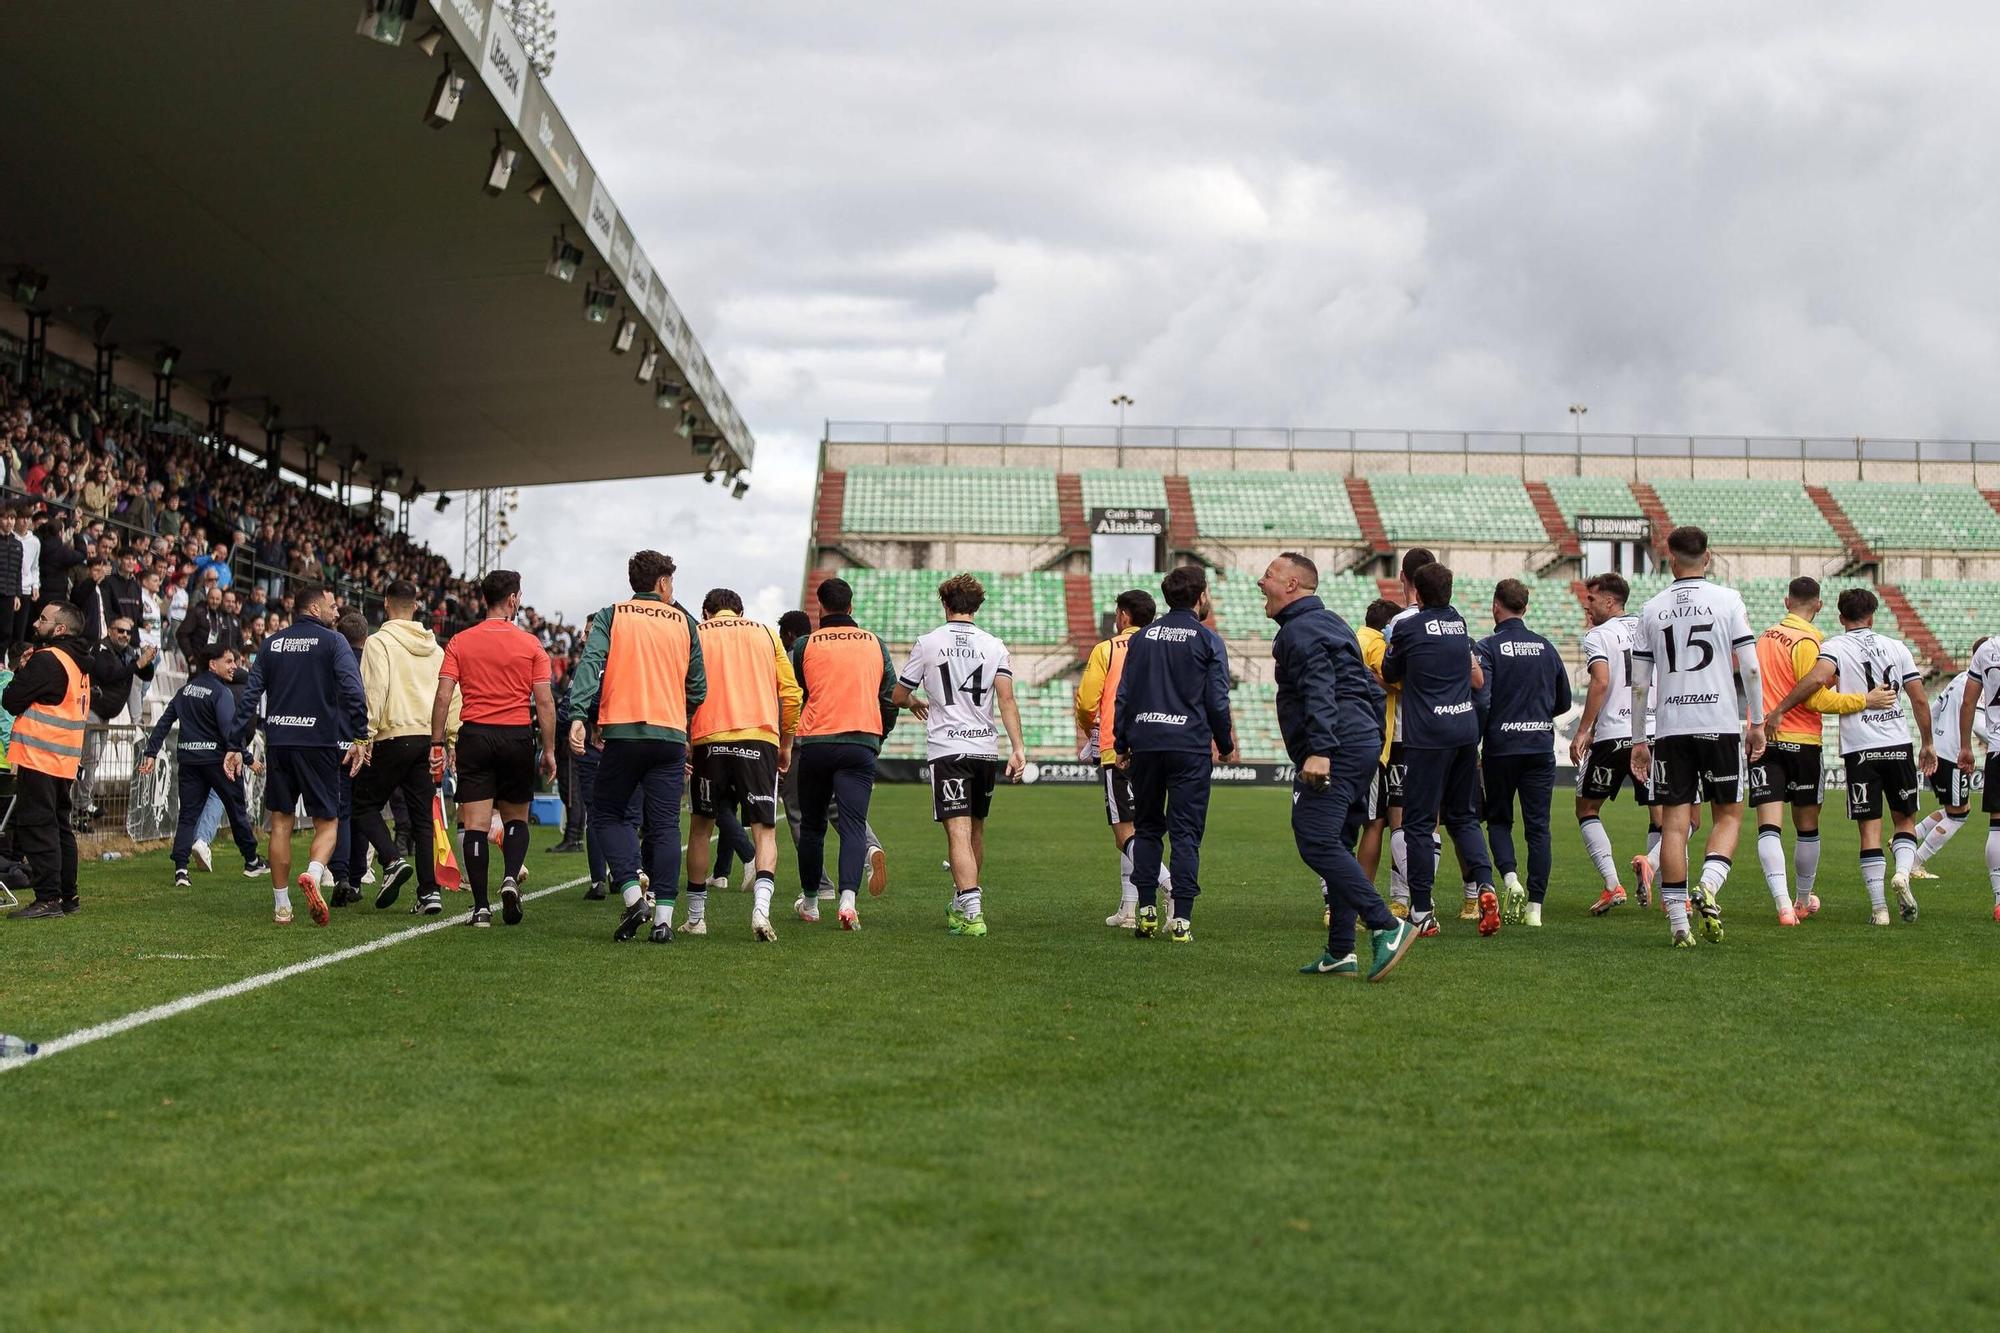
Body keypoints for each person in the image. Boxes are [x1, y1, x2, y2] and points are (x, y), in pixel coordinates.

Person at [1260, 553, 1416, 981]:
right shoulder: (1331, 622)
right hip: (1362, 742)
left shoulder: (1301, 630)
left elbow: (1319, 685)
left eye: (1269, 576)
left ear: (1292, 585)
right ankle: (1341, 951)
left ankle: (1387, 925)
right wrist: (1367, 737)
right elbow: (1367, 686)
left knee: (1314, 838)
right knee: (1338, 840)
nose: (1261, 581)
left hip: (1338, 746)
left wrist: (1323, 748)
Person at [1628, 526, 1766, 948]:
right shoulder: (1728, 600)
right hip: (1719, 723)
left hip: (1671, 728)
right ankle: (1707, 886)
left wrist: (1639, 740)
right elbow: (1752, 668)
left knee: (1674, 824)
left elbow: (1638, 685)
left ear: (1670, 559)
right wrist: (1757, 722)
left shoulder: (1651, 609)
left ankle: (1677, 925)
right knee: (1728, 815)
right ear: (1708, 558)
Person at [1768, 587, 1932, 926]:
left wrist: (1781, 708)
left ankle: (1880, 910)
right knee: (1904, 821)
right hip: (1897, 744)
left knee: (1869, 831)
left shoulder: (1834, 648)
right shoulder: (1897, 647)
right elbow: (1918, 699)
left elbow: (1813, 680)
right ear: (1872, 616)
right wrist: (1928, 742)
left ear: (1840, 617)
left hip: (1860, 751)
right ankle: (1902, 872)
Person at [567, 549, 706, 943]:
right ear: (662, 583)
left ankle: (632, 897)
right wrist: (680, 711)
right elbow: (699, 686)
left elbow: (590, 664)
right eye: (671, 582)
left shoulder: (611, 614)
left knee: (608, 814)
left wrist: (579, 714)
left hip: (623, 733)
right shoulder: (684, 621)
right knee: (664, 826)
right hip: (669, 736)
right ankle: (663, 920)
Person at [224, 584, 369, 927]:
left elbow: (249, 697)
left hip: (279, 742)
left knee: (280, 824)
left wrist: (233, 743)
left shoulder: (272, 643)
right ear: (315, 609)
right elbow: (353, 691)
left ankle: (281, 906)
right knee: (328, 823)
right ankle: (314, 875)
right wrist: (361, 735)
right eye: (333, 607)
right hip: (318, 744)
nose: (337, 613)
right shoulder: (335, 642)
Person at [893, 574, 1027, 938]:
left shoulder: (929, 642)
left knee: (957, 831)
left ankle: (973, 912)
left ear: (946, 604)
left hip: (948, 748)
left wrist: (915, 701)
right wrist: (1018, 748)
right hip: (985, 748)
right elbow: (1007, 699)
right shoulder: (994, 645)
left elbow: (898, 695)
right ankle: (961, 902)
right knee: (976, 829)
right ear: (976, 606)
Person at [1750, 577, 1888, 921]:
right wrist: (1864, 700)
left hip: (1767, 739)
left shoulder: (1764, 637)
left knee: (1769, 826)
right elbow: (1817, 699)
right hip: (1803, 741)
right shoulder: (1811, 641)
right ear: (1819, 606)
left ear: (1786, 602)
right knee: (1807, 827)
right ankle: (1801, 898)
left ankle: (1783, 905)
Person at [1113, 564, 1235, 943]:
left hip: (1146, 743)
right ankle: (1180, 918)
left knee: (1148, 828)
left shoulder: (1143, 637)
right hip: (1189, 746)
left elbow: (1125, 694)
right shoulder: (1207, 639)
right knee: (1185, 834)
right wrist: (1225, 744)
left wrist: (1121, 743)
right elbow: (1217, 699)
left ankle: (1146, 909)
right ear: (1200, 597)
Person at [430, 570, 556, 929]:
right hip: (516, 734)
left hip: (476, 736)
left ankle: (481, 908)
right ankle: (511, 877)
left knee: (476, 824)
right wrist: (548, 749)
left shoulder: (459, 641)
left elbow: (443, 695)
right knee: (516, 817)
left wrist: (437, 743)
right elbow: (545, 703)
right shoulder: (531, 644)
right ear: (513, 599)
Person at [680, 586, 800, 941]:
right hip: (759, 739)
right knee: (764, 830)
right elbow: (791, 693)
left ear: (706, 612)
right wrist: (787, 742)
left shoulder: (696, 633)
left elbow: (681, 687)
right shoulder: (764, 633)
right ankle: (761, 912)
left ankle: (696, 919)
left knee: (702, 828)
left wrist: (686, 737)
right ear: (740, 611)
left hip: (709, 739)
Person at [1382, 561, 1493, 936]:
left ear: (1415, 590)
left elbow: (1390, 671)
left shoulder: (1409, 627)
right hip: (1465, 728)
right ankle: (1485, 887)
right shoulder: (1459, 624)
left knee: (1418, 821)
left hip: (1427, 735)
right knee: (1463, 817)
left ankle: (1422, 909)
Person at [788, 576, 894, 931]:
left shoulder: (805, 644)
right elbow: (890, 696)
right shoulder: (874, 643)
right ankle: (848, 902)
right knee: (852, 827)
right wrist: (880, 734)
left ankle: (812, 901)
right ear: (851, 607)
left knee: (813, 826)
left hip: (815, 743)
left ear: (820, 608)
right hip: (860, 742)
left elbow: (795, 692)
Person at [350, 579, 458, 915]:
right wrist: (451, 738)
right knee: (424, 818)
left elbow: (374, 690)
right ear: (416, 606)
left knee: (361, 804)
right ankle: (429, 893)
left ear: (385, 604)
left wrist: (362, 737)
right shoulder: (437, 649)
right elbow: (451, 695)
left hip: (392, 735)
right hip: (427, 738)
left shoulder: (379, 642)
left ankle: (392, 861)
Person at [1473, 578, 1570, 927]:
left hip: (1501, 747)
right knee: (1538, 827)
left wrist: (1481, 735)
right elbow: (1564, 700)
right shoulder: (1546, 647)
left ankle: (1510, 881)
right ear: (1525, 608)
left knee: (1499, 820)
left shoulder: (1487, 648)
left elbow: (1482, 699)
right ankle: (1535, 910)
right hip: (1540, 747)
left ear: (1496, 606)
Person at [1073, 587, 1171, 928]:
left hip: (1120, 748)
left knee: (1123, 832)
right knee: (1144, 827)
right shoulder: (1163, 646)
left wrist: (1090, 730)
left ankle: (1167, 882)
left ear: (1125, 616)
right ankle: (1130, 909)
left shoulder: (1107, 649)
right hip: (1160, 745)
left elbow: (1087, 702)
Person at [138, 644, 267, 885]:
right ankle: (251, 861)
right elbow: (229, 731)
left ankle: (181, 870)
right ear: (212, 664)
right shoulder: (221, 693)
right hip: (219, 763)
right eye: (228, 662)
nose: (234, 667)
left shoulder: (185, 690)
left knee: (187, 815)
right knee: (237, 811)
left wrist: (151, 751)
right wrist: (247, 758)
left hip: (189, 761)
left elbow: (165, 722)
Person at [2, 601, 91, 918]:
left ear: (60, 629)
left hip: (40, 756)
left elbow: (11, 700)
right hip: (63, 759)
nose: (37, 623)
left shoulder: (47, 659)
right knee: (60, 826)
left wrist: (21, 670)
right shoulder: (77, 663)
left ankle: (48, 899)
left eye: (43, 619)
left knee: (39, 826)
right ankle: (68, 897)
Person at [1571, 574, 1652, 915]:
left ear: (1608, 602)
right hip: (1652, 733)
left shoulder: (1598, 636)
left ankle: (1611, 884)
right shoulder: (1648, 629)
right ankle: (1659, 871)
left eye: (1591, 599)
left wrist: (1583, 729)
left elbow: (1601, 681)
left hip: (1614, 735)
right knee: (1664, 815)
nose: (1586, 605)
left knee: (1587, 809)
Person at [74, 615, 158, 830]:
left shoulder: (129, 653)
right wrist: (138, 662)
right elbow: (110, 674)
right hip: (91, 711)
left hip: (105, 715)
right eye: (120, 631)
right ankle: (79, 804)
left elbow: (145, 675)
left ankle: (81, 806)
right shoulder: (100, 649)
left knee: (92, 760)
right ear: (110, 631)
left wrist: (148, 661)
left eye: (128, 632)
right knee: (89, 758)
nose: (124, 635)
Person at [1910, 640, 1981, 880]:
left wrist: (1930, 741)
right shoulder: (1977, 684)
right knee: (1958, 814)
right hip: (1953, 754)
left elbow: (1933, 711)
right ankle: (1914, 863)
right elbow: (1979, 722)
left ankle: (1906, 837)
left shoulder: (1959, 679)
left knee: (1957, 808)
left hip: (1941, 750)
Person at [1352, 597, 1401, 905]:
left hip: (1338, 742)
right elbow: (1396, 680)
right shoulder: (1377, 644)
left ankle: (1334, 899)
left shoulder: (1350, 637)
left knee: (1340, 825)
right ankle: (1359, 900)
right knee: (1374, 823)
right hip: (1371, 743)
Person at [1953, 634, 2000, 922]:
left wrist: (1966, 746)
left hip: (1998, 748)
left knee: (1997, 826)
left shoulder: (1988, 648)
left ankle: (1999, 898)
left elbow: (1968, 702)